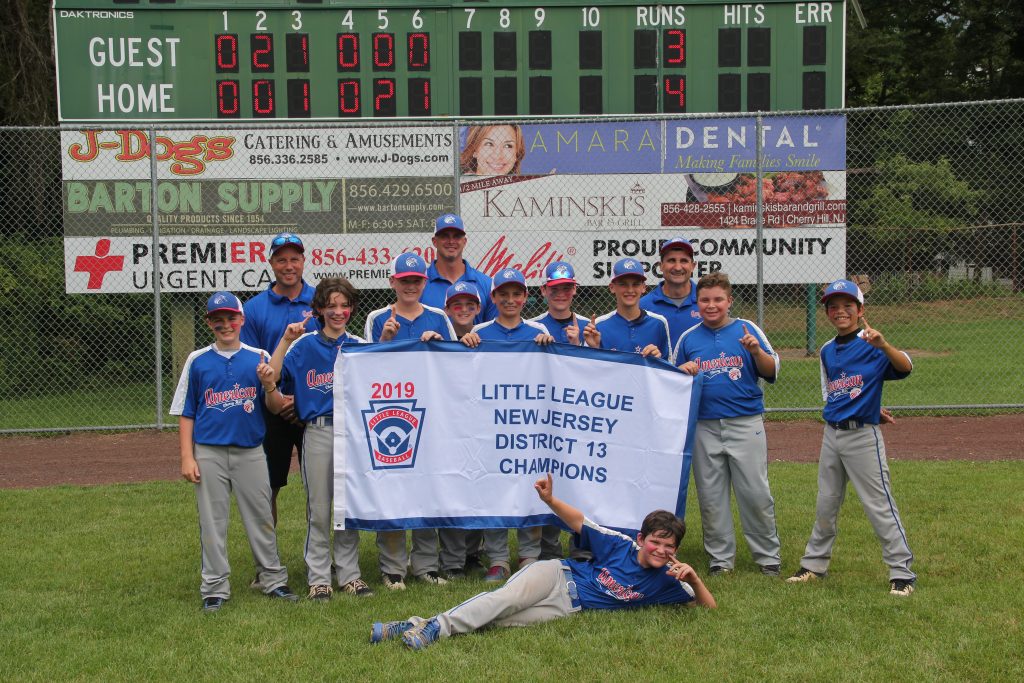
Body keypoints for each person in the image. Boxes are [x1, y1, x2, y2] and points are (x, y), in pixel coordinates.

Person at [369, 472, 716, 650]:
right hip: (556, 576)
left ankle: (412, 622)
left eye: (669, 547)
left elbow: (709, 610)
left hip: (568, 608)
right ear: (643, 539)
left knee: (497, 620)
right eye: (656, 542)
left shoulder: (670, 579)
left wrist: (696, 581)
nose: (661, 550)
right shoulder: (621, 546)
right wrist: (550, 500)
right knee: (501, 600)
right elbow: (580, 521)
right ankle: (435, 629)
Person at [170, 291, 299, 612]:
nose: (225, 324)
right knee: (212, 520)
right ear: (209, 322)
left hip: (251, 451)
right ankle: (214, 586)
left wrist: (269, 385)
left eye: (231, 318)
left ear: (242, 320)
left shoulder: (257, 355)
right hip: (210, 452)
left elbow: (276, 406)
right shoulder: (197, 360)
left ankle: (272, 578)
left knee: (260, 517)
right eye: (218, 319)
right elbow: (187, 413)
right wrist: (187, 456)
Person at [787, 279, 917, 596]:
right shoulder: (828, 350)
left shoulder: (872, 343)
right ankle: (814, 565)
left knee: (878, 505)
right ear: (828, 313)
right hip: (832, 434)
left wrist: (884, 346)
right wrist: (867, 403)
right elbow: (831, 393)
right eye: (834, 306)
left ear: (860, 310)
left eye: (848, 306)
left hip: (862, 436)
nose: (840, 311)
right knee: (826, 504)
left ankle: (902, 573)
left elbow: (906, 367)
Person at [264, 277, 373, 601]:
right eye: (331, 305)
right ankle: (319, 577)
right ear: (320, 309)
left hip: (352, 432)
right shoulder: (305, 345)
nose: (338, 311)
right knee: (319, 506)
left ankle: (349, 573)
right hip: (319, 430)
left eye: (344, 305)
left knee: (347, 503)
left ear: (351, 308)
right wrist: (285, 341)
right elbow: (272, 373)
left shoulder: (359, 346)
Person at [675, 272, 783, 576]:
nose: (711, 305)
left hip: (745, 422)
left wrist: (755, 351)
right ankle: (720, 560)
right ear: (697, 303)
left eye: (718, 299)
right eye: (705, 300)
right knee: (711, 496)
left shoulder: (747, 329)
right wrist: (682, 370)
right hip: (704, 426)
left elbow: (772, 370)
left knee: (755, 493)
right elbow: (673, 380)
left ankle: (768, 557)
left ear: (729, 301)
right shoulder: (689, 337)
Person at [364, 253, 457, 589]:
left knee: (427, 485)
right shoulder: (377, 317)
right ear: (393, 282)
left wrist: (439, 343)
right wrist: (385, 341)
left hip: (430, 413)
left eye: (416, 280)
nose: (410, 286)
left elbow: (454, 365)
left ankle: (426, 564)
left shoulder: (437, 317)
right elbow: (366, 370)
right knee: (392, 488)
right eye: (404, 280)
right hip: (390, 413)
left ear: (424, 283)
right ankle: (392, 567)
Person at [461, 268, 555, 582]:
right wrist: (466, 342)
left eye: (517, 294)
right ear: (494, 297)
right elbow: (463, 375)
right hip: (492, 426)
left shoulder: (537, 330)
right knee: (494, 487)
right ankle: (498, 558)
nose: (510, 300)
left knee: (532, 487)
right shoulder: (482, 331)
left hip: (530, 427)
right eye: (504, 294)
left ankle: (530, 553)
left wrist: (549, 346)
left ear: (526, 297)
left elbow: (555, 372)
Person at [240, 232, 318, 525]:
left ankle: (320, 560)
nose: (289, 266)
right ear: (271, 262)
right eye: (281, 259)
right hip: (270, 409)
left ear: (303, 261)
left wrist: (305, 400)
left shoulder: (320, 303)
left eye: (294, 259)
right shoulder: (255, 308)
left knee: (321, 489)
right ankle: (269, 566)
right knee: (267, 488)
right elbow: (252, 364)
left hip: (313, 407)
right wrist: (277, 398)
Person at [437, 282, 485, 579]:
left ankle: (473, 553)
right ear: (447, 309)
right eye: (457, 304)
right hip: (448, 423)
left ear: (478, 308)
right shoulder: (440, 338)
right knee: (452, 486)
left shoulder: (487, 337)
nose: (464, 310)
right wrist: (432, 342)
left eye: (470, 305)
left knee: (479, 484)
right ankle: (452, 558)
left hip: (481, 423)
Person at [584, 258, 672, 362]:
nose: (630, 290)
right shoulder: (598, 325)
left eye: (635, 284)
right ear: (612, 287)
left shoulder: (659, 323)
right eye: (623, 284)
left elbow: (669, 368)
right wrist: (594, 349)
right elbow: (588, 371)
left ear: (643, 287)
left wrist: (659, 359)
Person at [421, 214, 498, 324]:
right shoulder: (420, 284)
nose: (451, 241)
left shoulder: (486, 284)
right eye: (445, 236)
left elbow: (493, 332)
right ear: (434, 241)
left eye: (457, 236)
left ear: (464, 241)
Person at [640, 237, 702, 351]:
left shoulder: (707, 303)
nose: (678, 267)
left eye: (684, 261)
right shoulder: (642, 307)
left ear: (693, 266)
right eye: (671, 260)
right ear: (661, 266)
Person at [460, 124, 525, 176]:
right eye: (489, 144)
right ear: (475, 151)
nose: (497, 155)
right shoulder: (458, 186)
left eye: (508, 146)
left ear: (516, 154)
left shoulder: (522, 188)